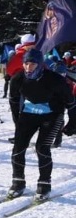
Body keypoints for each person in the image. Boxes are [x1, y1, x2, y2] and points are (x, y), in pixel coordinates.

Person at [6, 48, 76, 200]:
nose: (28, 67)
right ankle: (18, 182)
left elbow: (71, 102)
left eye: (32, 64)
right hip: (28, 115)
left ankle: (44, 184)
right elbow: (13, 101)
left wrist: (72, 123)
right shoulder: (17, 78)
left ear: (40, 65)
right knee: (18, 147)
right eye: (26, 63)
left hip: (51, 116)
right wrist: (17, 121)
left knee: (42, 148)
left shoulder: (54, 79)